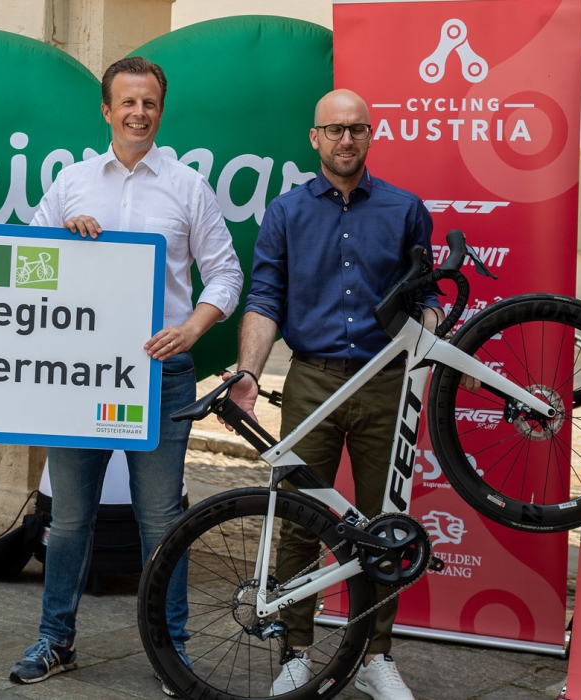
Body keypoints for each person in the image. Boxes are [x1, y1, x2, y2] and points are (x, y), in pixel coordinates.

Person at [8, 56, 243, 695]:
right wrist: (60, 236)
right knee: (72, 519)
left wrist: (193, 329)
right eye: (127, 103)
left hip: (162, 375)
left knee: (162, 519)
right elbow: (25, 264)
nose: (139, 113)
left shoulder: (189, 187)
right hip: (80, 376)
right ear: (106, 111)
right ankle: (55, 640)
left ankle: (173, 652)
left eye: (150, 103)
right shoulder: (71, 183)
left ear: (160, 110)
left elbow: (226, 274)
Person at [227, 89, 441, 700]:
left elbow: (426, 296)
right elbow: (265, 297)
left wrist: (427, 333)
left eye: (357, 129)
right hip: (311, 379)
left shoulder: (405, 209)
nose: (347, 140)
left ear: (370, 136)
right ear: (315, 138)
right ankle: (297, 650)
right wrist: (248, 371)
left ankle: (375, 656)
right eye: (334, 130)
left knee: (385, 526)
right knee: (298, 520)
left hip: (386, 381)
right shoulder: (287, 212)